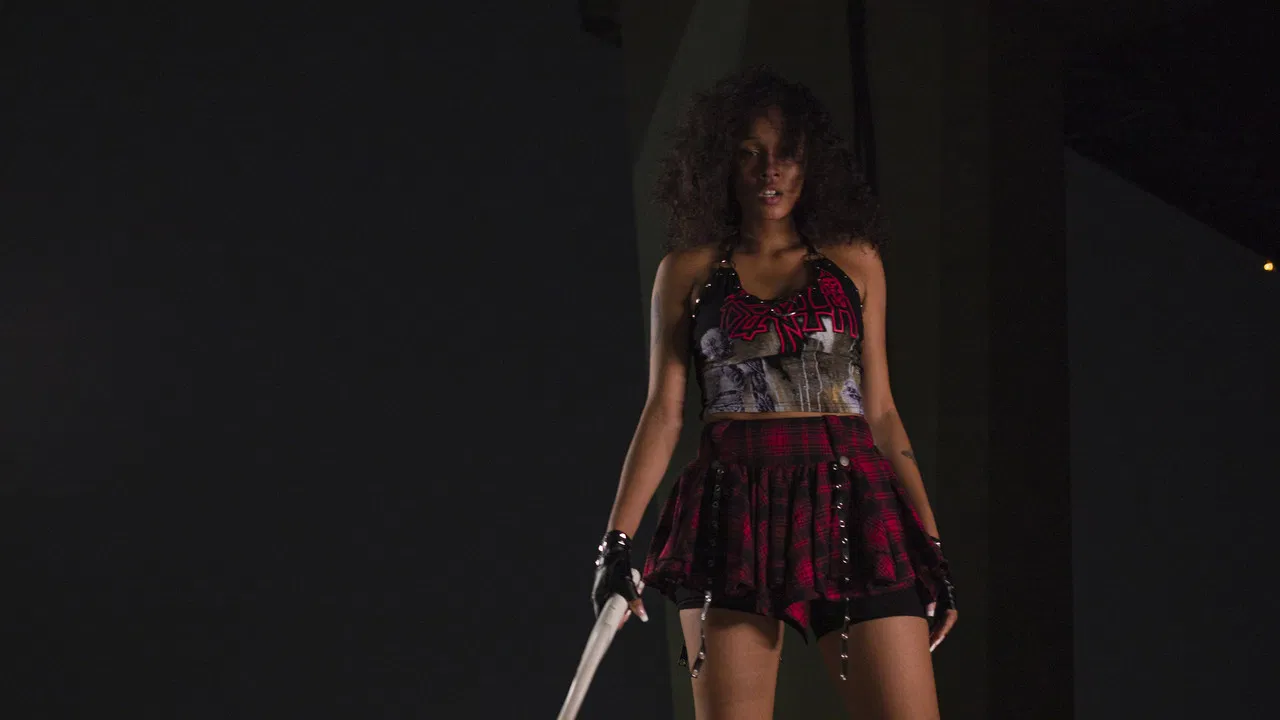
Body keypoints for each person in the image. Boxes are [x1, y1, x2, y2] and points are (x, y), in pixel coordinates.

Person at [591, 66, 958, 720]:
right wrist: (615, 544)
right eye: (750, 152)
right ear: (722, 161)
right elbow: (664, 413)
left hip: (852, 506)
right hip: (732, 512)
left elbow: (881, 413)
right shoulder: (687, 272)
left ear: (810, 162)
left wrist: (931, 549)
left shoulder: (855, 263)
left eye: (787, 153)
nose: (770, 170)